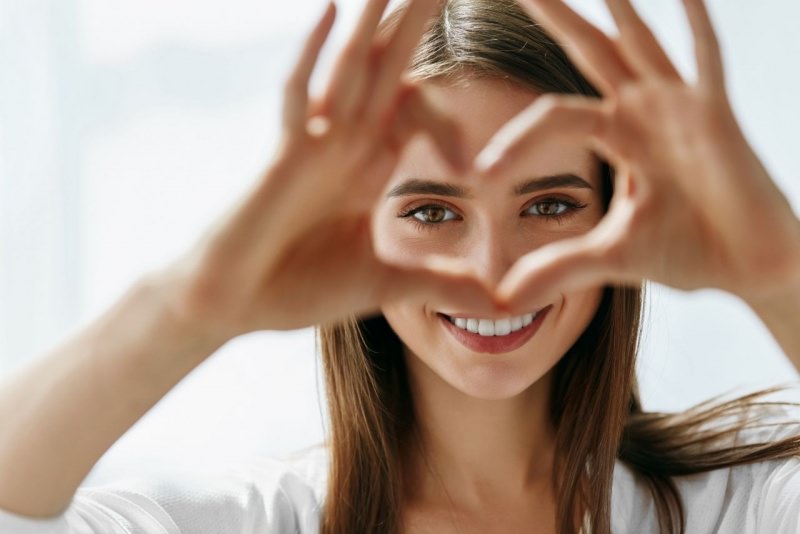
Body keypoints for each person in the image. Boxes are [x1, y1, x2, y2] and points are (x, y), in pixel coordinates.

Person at [1, 0, 799, 532]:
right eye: (431, 212)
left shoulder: (737, 507)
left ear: (616, 212)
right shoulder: (247, 519)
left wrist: (780, 275)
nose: (492, 267)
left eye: (550, 205)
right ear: (360, 228)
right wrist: (189, 308)